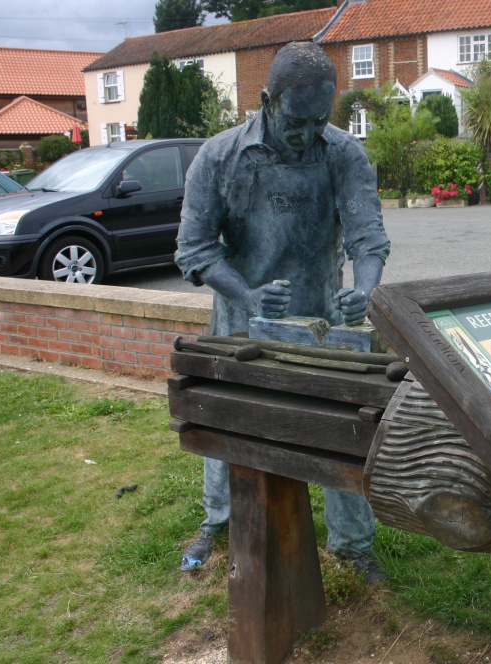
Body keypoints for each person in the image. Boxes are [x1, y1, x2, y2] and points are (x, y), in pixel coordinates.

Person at [174, 42, 391, 583]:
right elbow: (194, 249)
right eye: (298, 120)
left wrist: (364, 290)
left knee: (342, 430)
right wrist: (246, 295)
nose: (309, 133)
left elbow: (368, 238)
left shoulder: (342, 153)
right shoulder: (220, 156)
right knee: (228, 422)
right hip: (240, 327)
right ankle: (218, 519)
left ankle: (353, 543)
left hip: (322, 322)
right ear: (267, 100)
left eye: (322, 119)